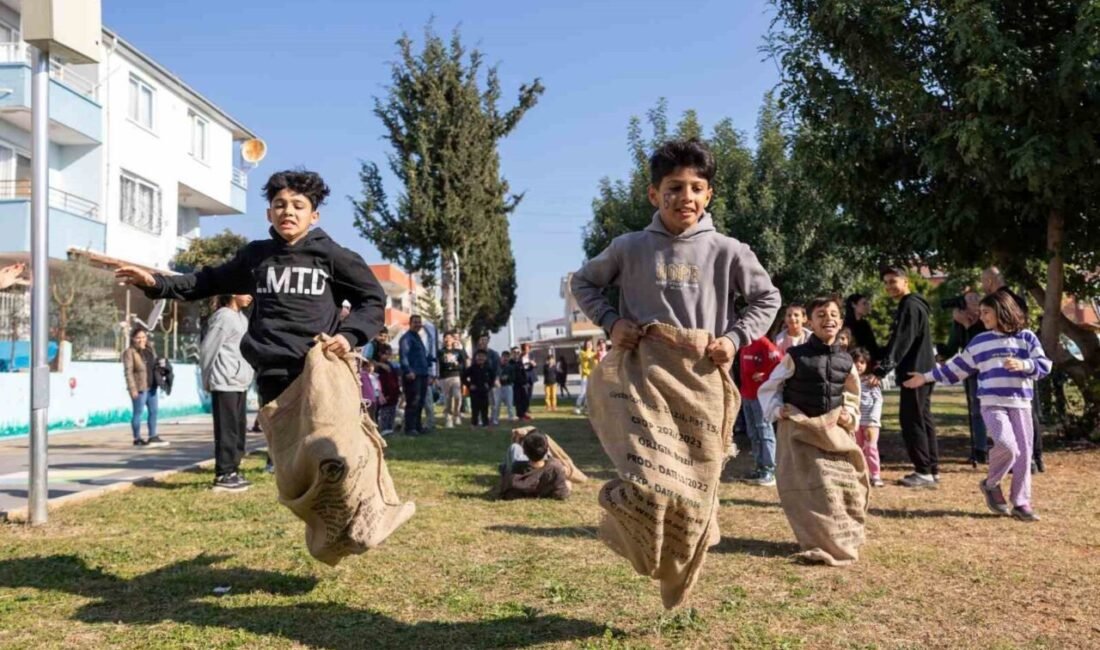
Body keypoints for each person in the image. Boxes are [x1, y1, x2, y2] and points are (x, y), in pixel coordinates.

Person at [116, 169, 386, 450]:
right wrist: (156, 283)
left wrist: (348, 336)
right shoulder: (256, 257)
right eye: (280, 205)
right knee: (289, 465)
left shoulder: (332, 256)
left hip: (319, 371)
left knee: (326, 456)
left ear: (313, 216)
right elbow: (206, 281)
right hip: (272, 377)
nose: (288, 212)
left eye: (298, 206)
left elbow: (372, 299)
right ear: (269, 214)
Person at [570, 138, 781, 381]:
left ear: (708, 196)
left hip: (704, 383)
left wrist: (734, 340)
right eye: (675, 188)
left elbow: (768, 298)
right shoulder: (628, 248)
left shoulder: (729, 251)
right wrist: (611, 322)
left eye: (697, 188)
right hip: (640, 385)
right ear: (654, 194)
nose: (687, 197)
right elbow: (582, 282)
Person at [903, 291, 1051, 521]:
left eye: (986, 312)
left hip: (1021, 403)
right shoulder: (980, 341)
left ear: (1002, 311)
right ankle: (992, 484)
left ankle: (1021, 502)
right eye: (980, 313)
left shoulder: (1027, 338)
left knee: (1024, 455)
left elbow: (1044, 365)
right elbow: (956, 368)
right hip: (992, 404)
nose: (981, 317)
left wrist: (1024, 364)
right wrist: (925, 377)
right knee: (1007, 446)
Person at [870, 266, 938, 488]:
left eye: (893, 281)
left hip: (915, 372)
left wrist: (882, 370)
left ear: (906, 281)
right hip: (922, 369)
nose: (889, 286)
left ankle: (924, 471)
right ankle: (931, 468)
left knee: (912, 419)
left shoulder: (909, 305)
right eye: (886, 282)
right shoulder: (913, 305)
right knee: (923, 418)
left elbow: (902, 341)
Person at [757, 295, 861, 432]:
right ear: (810, 324)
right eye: (821, 315)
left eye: (833, 314)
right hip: (799, 431)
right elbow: (772, 385)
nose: (828, 318)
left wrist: (849, 416)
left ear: (840, 323)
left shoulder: (846, 361)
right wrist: (777, 410)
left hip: (833, 430)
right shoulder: (796, 356)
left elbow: (853, 393)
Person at [981, 266, 1044, 473]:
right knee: (1027, 412)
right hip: (1022, 365)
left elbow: (999, 333)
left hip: (1012, 366)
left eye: (983, 281)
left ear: (990, 281)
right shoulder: (1018, 299)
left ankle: (1027, 458)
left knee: (1020, 414)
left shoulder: (999, 302)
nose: (982, 285)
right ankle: (1034, 457)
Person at [200, 294, 254, 492]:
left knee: (239, 430)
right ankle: (223, 473)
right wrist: (206, 379)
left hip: (240, 383)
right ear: (232, 293)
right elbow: (208, 349)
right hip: (224, 382)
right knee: (226, 430)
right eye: (244, 292)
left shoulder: (242, 318)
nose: (249, 296)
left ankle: (234, 469)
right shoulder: (223, 317)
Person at [941, 292, 989, 465]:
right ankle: (980, 449)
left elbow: (981, 343)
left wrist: (968, 324)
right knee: (976, 411)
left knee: (996, 408)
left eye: (976, 298)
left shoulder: (987, 318)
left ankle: (1002, 447)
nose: (974, 302)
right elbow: (955, 344)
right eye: (969, 299)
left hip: (989, 369)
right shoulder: (960, 321)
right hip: (972, 371)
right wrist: (944, 353)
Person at [738, 336, 783, 486]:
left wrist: (765, 375)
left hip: (760, 396)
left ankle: (769, 470)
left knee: (764, 431)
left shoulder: (763, 342)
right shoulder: (744, 342)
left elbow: (780, 361)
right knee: (753, 433)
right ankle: (759, 467)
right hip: (747, 395)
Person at [122, 327, 168, 447]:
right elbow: (128, 372)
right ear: (133, 339)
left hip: (152, 386)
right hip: (140, 388)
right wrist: (132, 389)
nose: (141, 340)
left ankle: (152, 436)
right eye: (138, 338)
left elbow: (154, 365)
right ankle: (137, 438)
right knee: (138, 413)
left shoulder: (150, 349)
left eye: (143, 337)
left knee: (154, 412)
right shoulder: (129, 352)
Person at [498, 430, 571, 500]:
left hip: (523, 465)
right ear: (547, 450)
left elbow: (506, 487)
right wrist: (568, 485)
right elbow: (561, 493)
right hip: (541, 465)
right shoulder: (554, 468)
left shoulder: (517, 468)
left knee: (514, 447)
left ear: (524, 451)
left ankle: (503, 466)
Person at [851, 347, 884, 487]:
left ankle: (875, 475)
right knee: (857, 448)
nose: (859, 365)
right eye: (856, 362)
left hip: (871, 422)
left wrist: (873, 419)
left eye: (862, 362)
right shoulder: (849, 382)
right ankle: (860, 473)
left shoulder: (870, 382)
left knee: (871, 447)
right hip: (855, 422)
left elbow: (878, 401)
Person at [399, 315, 431, 435]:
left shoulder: (418, 337)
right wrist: (408, 371)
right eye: (415, 322)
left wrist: (431, 359)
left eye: (419, 322)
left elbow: (421, 356)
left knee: (420, 401)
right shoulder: (406, 338)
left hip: (423, 374)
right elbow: (404, 356)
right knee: (413, 401)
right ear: (410, 323)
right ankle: (410, 428)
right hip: (413, 375)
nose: (418, 324)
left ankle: (418, 426)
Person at [438, 330, 467, 428]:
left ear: (453, 339)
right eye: (445, 338)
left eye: (449, 338)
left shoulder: (457, 351)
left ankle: (457, 414)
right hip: (444, 377)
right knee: (447, 398)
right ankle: (448, 418)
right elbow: (438, 364)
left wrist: (458, 364)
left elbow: (464, 361)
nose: (447, 340)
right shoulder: (441, 351)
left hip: (456, 375)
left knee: (457, 396)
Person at [474, 335, 503, 425]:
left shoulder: (494, 354)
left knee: (494, 401)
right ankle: (479, 419)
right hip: (480, 381)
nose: (483, 341)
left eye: (485, 340)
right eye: (481, 339)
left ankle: (494, 418)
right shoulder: (476, 354)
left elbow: (498, 368)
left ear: (488, 341)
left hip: (492, 381)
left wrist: (497, 378)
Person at [843, 293, 880, 361]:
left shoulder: (865, 325)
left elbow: (873, 348)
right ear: (853, 305)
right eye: (864, 303)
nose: (867, 306)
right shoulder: (845, 326)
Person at [462, 349, 494, 427]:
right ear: (476, 357)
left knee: (484, 408)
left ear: (485, 358)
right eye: (479, 356)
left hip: (484, 390)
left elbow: (493, 377)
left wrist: (489, 385)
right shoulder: (472, 368)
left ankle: (485, 423)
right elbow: (463, 377)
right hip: (474, 391)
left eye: (483, 356)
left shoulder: (488, 368)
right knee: (475, 408)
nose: (481, 358)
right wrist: (469, 385)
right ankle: (474, 423)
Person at [375, 344, 401, 435]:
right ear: (380, 354)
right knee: (385, 412)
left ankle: (390, 428)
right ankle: (384, 429)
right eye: (386, 354)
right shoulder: (378, 367)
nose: (388, 356)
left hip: (393, 393)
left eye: (389, 354)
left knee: (392, 411)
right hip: (385, 393)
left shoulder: (391, 365)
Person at [573, 340, 597, 415]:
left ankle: (586, 407)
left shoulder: (594, 354)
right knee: (583, 392)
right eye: (588, 344)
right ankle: (577, 407)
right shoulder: (582, 353)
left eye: (590, 344)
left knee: (589, 393)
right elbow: (587, 356)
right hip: (585, 375)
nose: (589, 345)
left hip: (592, 376)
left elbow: (595, 363)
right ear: (585, 345)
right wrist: (591, 352)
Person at [517, 343, 537, 421]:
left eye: (528, 348)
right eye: (525, 349)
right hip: (523, 377)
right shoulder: (520, 356)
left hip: (530, 377)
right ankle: (523, 411)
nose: (527, 350)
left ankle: (527, 408)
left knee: (529, 394)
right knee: (524, 394)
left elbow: (535, 364)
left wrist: (533, 363)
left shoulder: (531, 355)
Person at [498, 350, 518, 421]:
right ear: (501, 357)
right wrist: (500, 378)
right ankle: (495, 417)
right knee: (497, 403)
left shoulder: (511, 367)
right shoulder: (498, 367)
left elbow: (513, 377)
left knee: (510, 402)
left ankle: (511, 416)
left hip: (508, 386)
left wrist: (508, 378)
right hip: (498, 387)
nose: (505, 359)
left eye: (507, 357)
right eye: (504, 357)